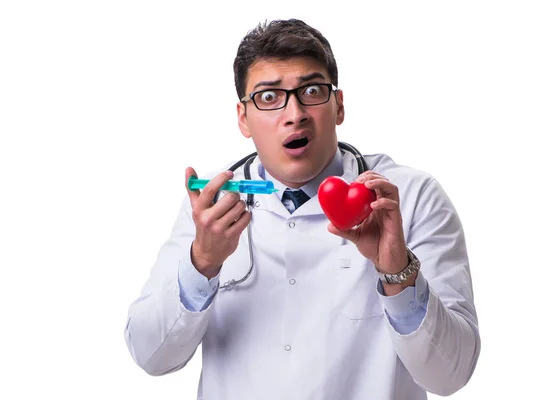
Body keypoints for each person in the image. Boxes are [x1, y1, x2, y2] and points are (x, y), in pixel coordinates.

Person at [124, 18, 480, 399]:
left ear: (339, 106)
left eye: (311, 90)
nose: (294, 114)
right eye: (269, 97)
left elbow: (450, 375)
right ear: (244, 118)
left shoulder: (410, 197)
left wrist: (397, 273)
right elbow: (151, 356)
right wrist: (202, 263)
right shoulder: (213, 203)